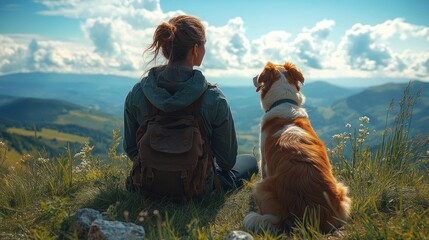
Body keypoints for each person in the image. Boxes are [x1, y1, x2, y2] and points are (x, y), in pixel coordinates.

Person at [123, 14, 258, 199]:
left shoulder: (138, 93)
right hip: (198, 190)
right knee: (250, 161)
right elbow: (227, 162)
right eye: (204, 44)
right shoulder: (213, 98)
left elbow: (131, 148)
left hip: (147, 184)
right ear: (195, 49)